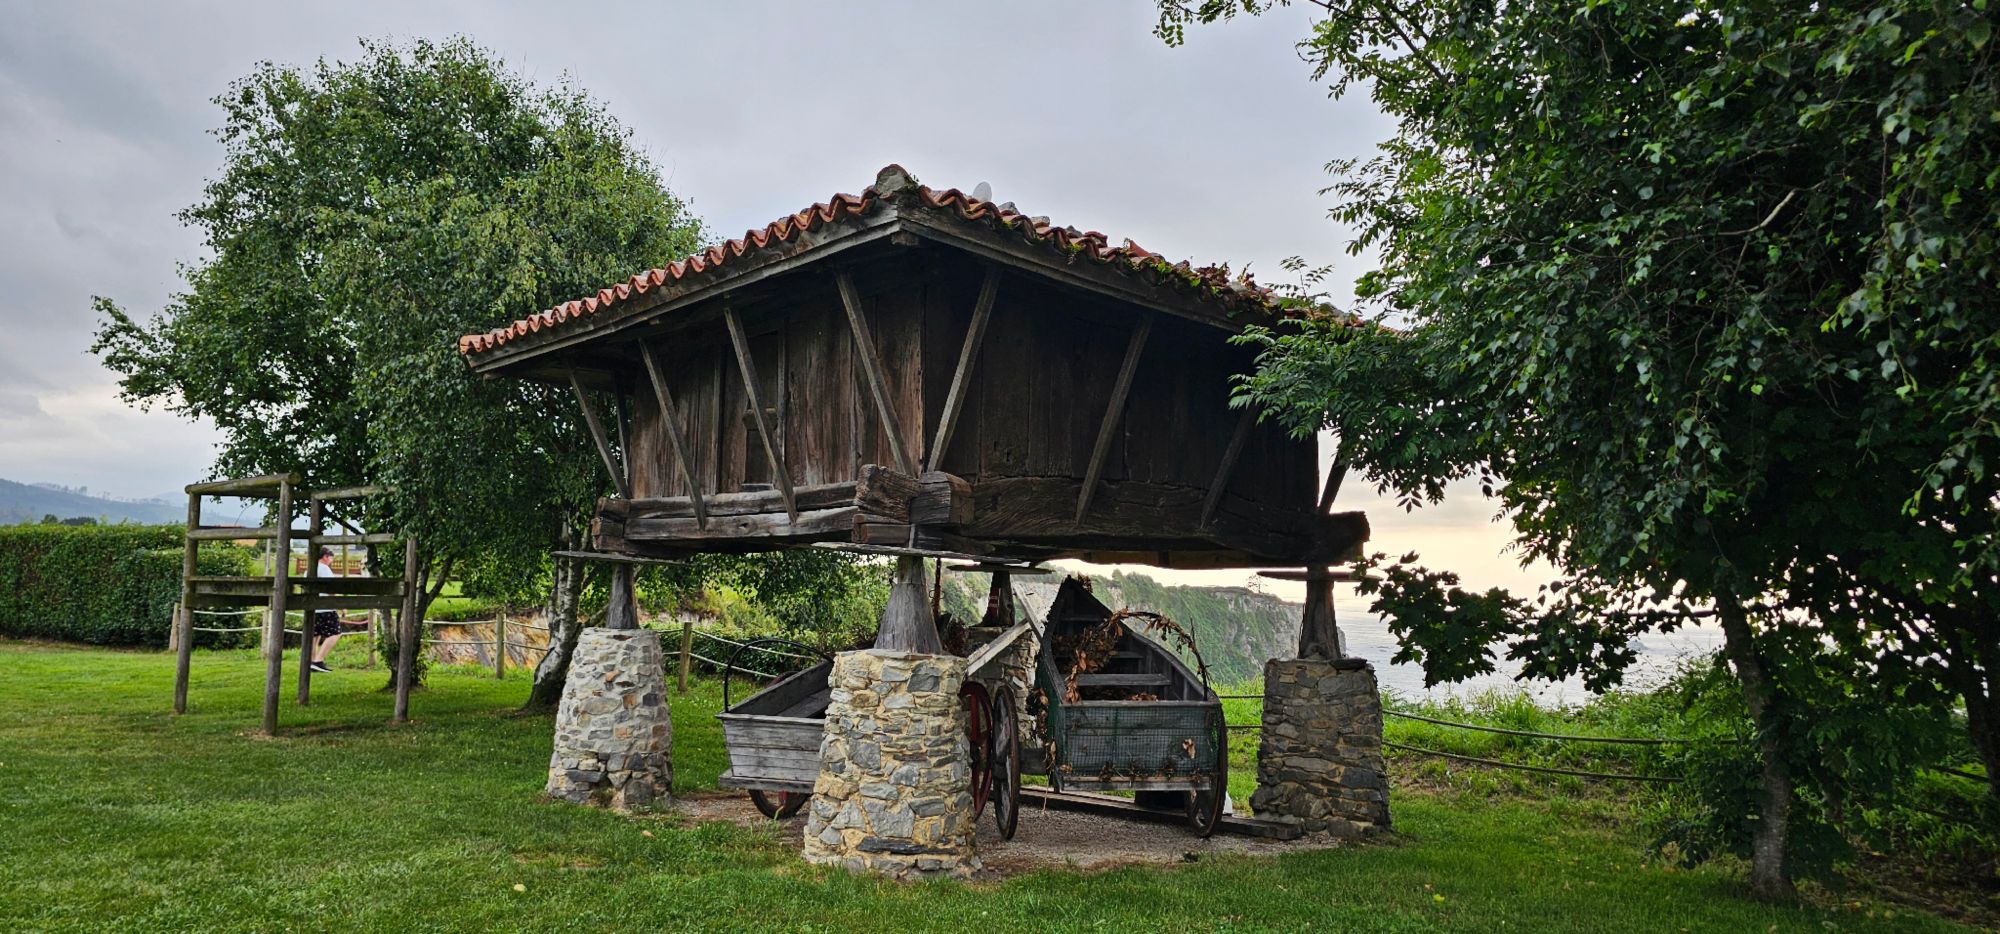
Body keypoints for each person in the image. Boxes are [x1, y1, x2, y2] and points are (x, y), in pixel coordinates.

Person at [308, 547, 345, 674]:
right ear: (325, 556)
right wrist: (341, 605)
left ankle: (312, 661)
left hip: (313, 607)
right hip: (326, 607)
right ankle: (319, 660)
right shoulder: (324, 569)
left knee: (315, 635)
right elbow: (331, 589)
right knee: (336, 633)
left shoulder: (310, 569)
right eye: (331, 557)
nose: (331, 560)